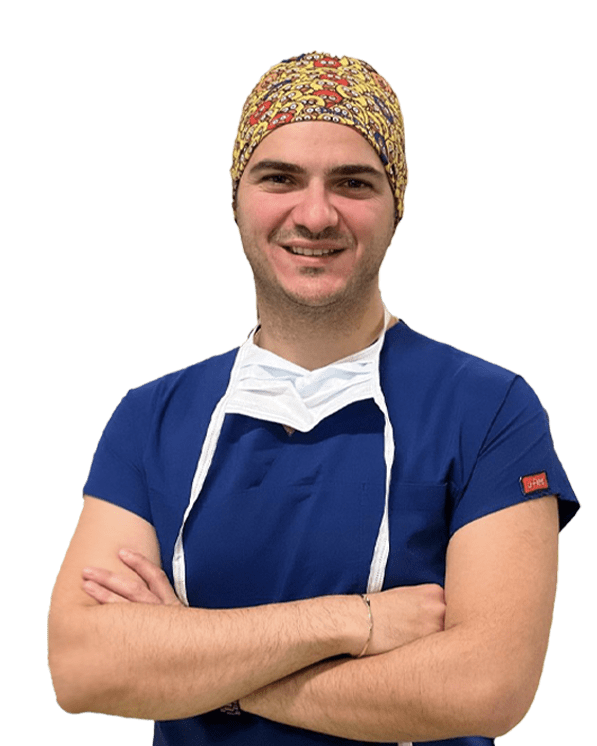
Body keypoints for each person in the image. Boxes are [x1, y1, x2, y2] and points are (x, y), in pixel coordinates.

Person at [47, 51, 579, 746]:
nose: (317, 213)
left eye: (353, 183)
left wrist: (192, 664)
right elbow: (82, 667)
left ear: (396, 207)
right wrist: (356, 622)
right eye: (280, 178)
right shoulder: (151, 418)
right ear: (236, 200)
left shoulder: (488, 410)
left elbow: (486, 686)